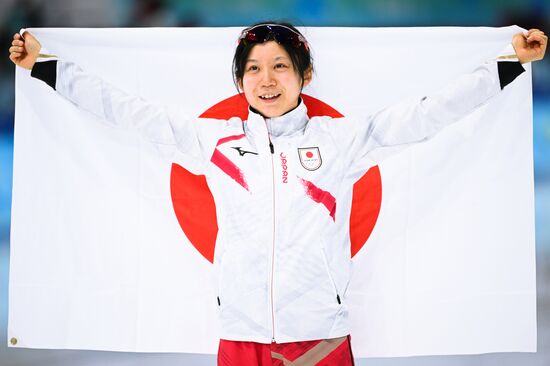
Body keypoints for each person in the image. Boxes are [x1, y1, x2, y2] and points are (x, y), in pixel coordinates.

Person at [9, 22, 547, 365]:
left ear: (304, 74)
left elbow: (430, 112)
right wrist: (46, 66)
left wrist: (509, 62)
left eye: (280, 66)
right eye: (253, 69)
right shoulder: (211, 139)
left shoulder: (342, 140)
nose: (266, 80)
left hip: (320, 341)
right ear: (240, 81)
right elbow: (124, 109)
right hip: (239, 337)